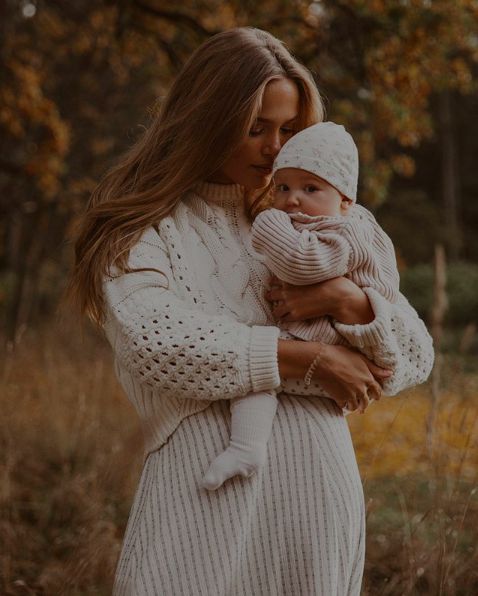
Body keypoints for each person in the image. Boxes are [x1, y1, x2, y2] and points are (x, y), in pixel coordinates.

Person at [69, 27, 434, 596]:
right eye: (255, 127)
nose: (273, 147)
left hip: (316, 510)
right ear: (206, 120)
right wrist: (309, 359)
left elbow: (414, 353)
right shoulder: (144, 228)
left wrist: (349, 301)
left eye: (288, 129)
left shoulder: (311, 224)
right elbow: (156, 345)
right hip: (200, 509)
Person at [201, 120, 405, 491]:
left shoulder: (346, 230)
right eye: (283, 187)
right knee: (260, 369)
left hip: (342, 341)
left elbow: (303, 262)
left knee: (262, 363)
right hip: (316, 344)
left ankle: (246, 445)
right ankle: (247, 447)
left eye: (310, 188)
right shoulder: (317, 221)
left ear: (345, 200)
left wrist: (268, 224)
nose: (292, 199)